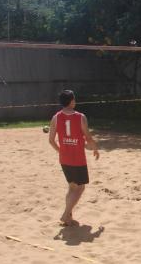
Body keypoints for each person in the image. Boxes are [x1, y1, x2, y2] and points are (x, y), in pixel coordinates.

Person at [49, 90, 99, 226]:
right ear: (71, 101)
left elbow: (51, 141)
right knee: (80, 187)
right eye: (74, 99)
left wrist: (61, 151)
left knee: (72, 187)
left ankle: (68, 217)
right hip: (77, 159)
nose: (75, 101)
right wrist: (95, 148)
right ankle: (66, 214)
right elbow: (88, 137)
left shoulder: (55, 117)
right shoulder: (80, 117)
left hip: (64, 158)